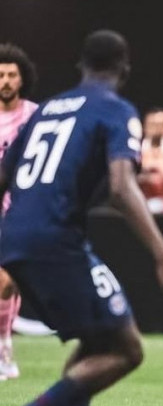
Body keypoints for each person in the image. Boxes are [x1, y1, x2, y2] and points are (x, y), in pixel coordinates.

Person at [0, 30, 163, 406]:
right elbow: (122, 187)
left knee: (97, 342)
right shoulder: (115, 109)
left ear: (81, 66)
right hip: (55, 240)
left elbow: (2, 176)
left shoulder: (47, 108)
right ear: (124, 68)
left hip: (15, 237)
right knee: (127, 348)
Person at [0, 43, 39, 380]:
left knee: (6, 281)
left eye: (12, 74)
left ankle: (3, 343)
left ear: (22, 78)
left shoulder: (35, 116)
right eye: (0, 75)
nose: (6, 81)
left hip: (19, 208)